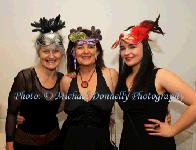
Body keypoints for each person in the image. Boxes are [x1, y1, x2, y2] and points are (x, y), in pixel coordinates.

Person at [112, 15, 196, 150]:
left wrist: (173, 130)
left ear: (144, 47)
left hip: (156, 144)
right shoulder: (121, 79)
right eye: (122, 48)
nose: (126, 52)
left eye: (132, 46)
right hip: (128, 143)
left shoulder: (160, 75)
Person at [6, 15, 66, 150]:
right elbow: (11, 113)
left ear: (61, 54)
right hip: (25, 144)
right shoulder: (25, 77)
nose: (51, 56)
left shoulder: (63, 79)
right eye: (46, 51)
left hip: (54, 142)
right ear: (39, 53)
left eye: (56, 51)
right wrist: (9, 144)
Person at [59, 26, 118, 150]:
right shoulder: (66, 81)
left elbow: (131, 99)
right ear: (73, 53)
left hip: (101, 144)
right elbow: (56, 108)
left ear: (97, 51)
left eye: (91, 46)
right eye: (80, 47)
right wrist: (26, 113)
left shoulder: (111, 75)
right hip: (70, 143)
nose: (86, 51)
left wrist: (162, 111)